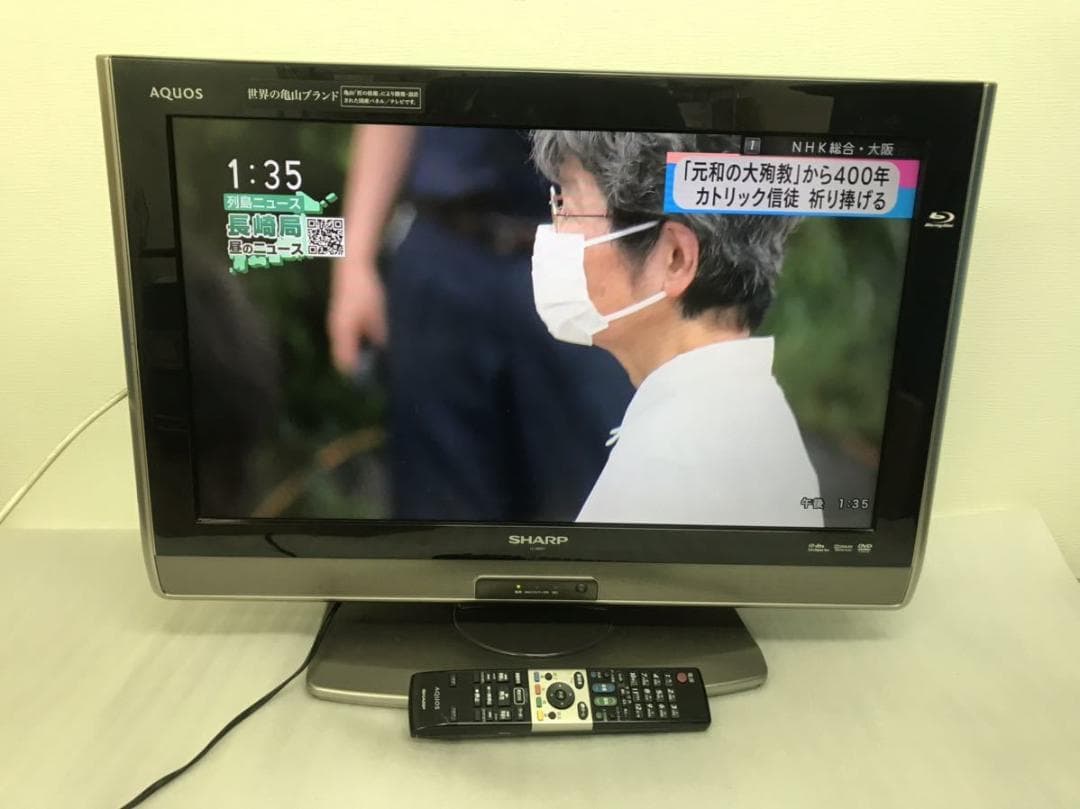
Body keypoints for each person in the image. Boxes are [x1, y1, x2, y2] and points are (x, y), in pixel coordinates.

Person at [328, 125, 633, 521]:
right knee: (438, 515)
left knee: (597, 502)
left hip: (581, 255)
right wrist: (354, 262)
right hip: (444, 249)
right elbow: (393, 108)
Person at [528, 130, 822, 528]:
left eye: (569, 206)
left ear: (675, 258)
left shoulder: (669, 463)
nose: (554, 229)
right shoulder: (741, 416)